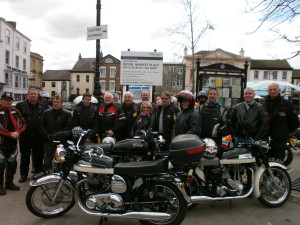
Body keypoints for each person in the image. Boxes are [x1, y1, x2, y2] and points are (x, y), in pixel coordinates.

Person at [16, 88, 46, 182]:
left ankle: (38, 174)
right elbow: (16, 120)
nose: (33, 95)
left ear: (38, 96)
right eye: (32, 94)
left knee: (38, 156)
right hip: (25, 135)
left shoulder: (42, 106)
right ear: (28, 95)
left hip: (38, 136)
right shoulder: (20, 105)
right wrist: (17, 132)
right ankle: (23, 175)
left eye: (35, 94)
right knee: (24, 156)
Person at [263, 83, 299, 161]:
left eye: (274, 89)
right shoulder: (264, 104)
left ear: (279, 90)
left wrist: (285, 132)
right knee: (267, 161)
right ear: (268, 91)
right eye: (270, 90)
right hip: (266, 138)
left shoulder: (287, 104)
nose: (272, 91)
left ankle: (278, 173)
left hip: (280, 138)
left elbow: (294, 121)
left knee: (278, 161)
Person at [0, 92, 26, 195]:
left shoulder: (15, 111)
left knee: (12, 164)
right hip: (1, 143)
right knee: (0, 165)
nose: (8, 101)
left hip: (13, 143)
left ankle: (9, 183)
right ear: (1, 100)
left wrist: (17, 132)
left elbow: (23, 123)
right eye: (6, 99)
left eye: (10, 100)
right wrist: (10, 134)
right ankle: (0, 186)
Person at [40, 95, 72, 170]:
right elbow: (41, 126)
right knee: (47, 162)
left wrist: (60, 135)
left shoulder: (67, 114)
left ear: (61, 103)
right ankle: (47, 176)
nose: (55, 103)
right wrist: (47, 135)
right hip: (49, 140)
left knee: (61, 162)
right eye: (54, 102)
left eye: (58, 102)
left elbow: (69, 128)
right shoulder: (46, 113)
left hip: (62, 141)